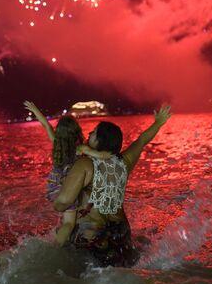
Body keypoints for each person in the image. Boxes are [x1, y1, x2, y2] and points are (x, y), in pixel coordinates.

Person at [53, 106, 172, 267]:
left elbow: (63, 201)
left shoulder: (85, 164)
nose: (89, 134)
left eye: (93, 133)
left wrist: (57, 199)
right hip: (121, 234)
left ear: (100, 141)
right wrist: (159, 123)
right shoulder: (124, 162)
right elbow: (142, 140)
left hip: (93, 238)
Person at [23, 101, 111, 245]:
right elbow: (101, 156)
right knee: (69, 224)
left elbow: (46, 125)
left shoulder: (57, 143)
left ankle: (59, 243)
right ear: (76, 131)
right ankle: (57, 247)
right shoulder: (80, 148)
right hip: (68, 187)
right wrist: (112, 155)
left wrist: (35, 110)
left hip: (53, 187)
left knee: (67, 222)